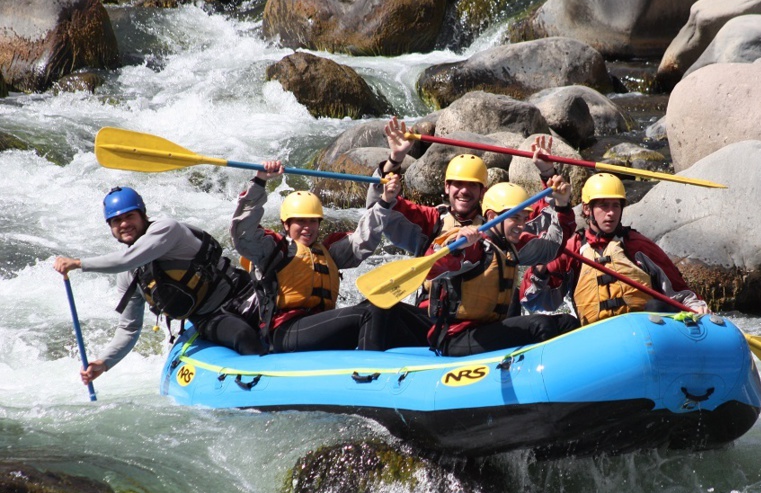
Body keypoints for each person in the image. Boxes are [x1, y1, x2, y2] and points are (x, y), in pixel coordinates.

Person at [360, 118, 576, 351]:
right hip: (433, 321)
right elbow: (380, 210)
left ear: (483, 191)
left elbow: (549, 235)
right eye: (457, 184)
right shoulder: (431, 221)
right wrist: (394, 161)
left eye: (472, 186)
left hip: (488, 326)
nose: (464, 191)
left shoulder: (501, 230)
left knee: (531, 306)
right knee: (378, 308)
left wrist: (548, 175)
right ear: (446, 187)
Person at [53, 186, 265, 386]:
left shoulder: (168, 230)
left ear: (143, 215)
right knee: (242, 335)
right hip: (209, 317)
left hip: (244, 293)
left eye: (129, 216)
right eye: (116, 220)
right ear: (110, 228)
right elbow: (129, 327)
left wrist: (79, 263)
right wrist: (104, 362)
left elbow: (127, 259)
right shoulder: (129, 274)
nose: (124, 224)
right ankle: (263, 385)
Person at [231, 162, 400, 352]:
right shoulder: (274, 249)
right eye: (300, 221)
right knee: (367, 314)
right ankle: (370, 370)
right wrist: (260, 181)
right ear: (286, 224)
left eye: (313, 221)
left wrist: (385, 201)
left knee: (380, 305)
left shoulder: (329, 252)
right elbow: (243, 234)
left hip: (317, 328)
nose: (308, 227)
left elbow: (364, 239)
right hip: (284, 331)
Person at [520, 173, 708, 324]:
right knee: (563, 322)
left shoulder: (637, 245)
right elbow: (534, 302)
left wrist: (697, 307)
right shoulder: (574, 249)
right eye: (603, 206)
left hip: (644, 330)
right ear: (587, 210)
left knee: (658, 307)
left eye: (615, 206)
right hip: (598, 339)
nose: (610, 213)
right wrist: (540, 271)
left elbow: (679, 291)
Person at [420, 181, 579, 356]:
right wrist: (456, 247)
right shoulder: (474, 247)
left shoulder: (511, 247)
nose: (521, 225)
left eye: (524, 218)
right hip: (457, 337)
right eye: (515, 218)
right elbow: (432, 267)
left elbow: (552, 249)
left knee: (567, 322)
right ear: (492, 217)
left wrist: (562, 206)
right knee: (540, 326)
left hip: (491, 330)